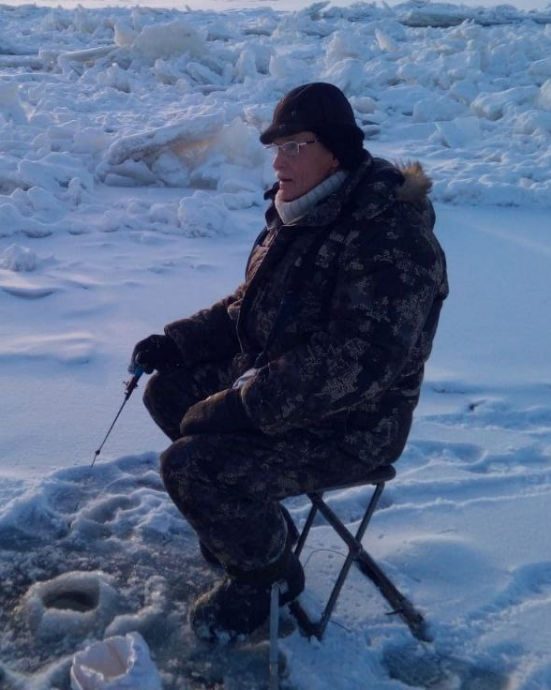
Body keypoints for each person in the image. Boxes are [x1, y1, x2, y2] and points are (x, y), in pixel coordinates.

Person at [131, 81, 448, 642]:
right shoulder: (304, 208)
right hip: (279, 385)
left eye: (295, 146)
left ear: (337, 150)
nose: (279, 162)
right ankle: (254, 528)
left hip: (351, 425)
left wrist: (240, 408)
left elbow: (350, 366)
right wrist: (176, 342)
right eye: (276, 147)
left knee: (191, 464)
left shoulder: (390, 239)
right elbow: (249, 307)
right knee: (169, 391)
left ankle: (267, 581)